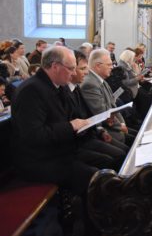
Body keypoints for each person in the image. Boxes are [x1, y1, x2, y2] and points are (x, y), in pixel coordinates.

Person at [11, 46, 98, 196]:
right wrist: (70, 126)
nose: (73, 73)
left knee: (105, 162)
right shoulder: (31, 91)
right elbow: (33, 135)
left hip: (60, 150)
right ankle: (91, 217)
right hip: (39, 160)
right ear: (55, 66)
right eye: (71, 68)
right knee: (95, 177)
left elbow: (70, 115)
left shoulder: (58, 84)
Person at [65, 50, 127, 171]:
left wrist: (100, 130)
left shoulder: (76, 87)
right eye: (82, 69)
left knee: (124, 152)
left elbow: (89, 115)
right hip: (79, 142)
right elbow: (96, 113)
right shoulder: (82, 86)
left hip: (92, 133)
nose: (87, 72)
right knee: (119, 156)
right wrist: (115, 126)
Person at [80, 49, 136, 146]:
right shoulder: (89, 84)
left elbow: (113, 107)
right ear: (98, 65)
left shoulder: (101, 79)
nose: (112, 67)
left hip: (114, 127)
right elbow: (102, 113)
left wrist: (122, 124)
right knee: (133, 146)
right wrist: (120, 126)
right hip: (107, 130)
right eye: (109, 64)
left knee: (140, 136)